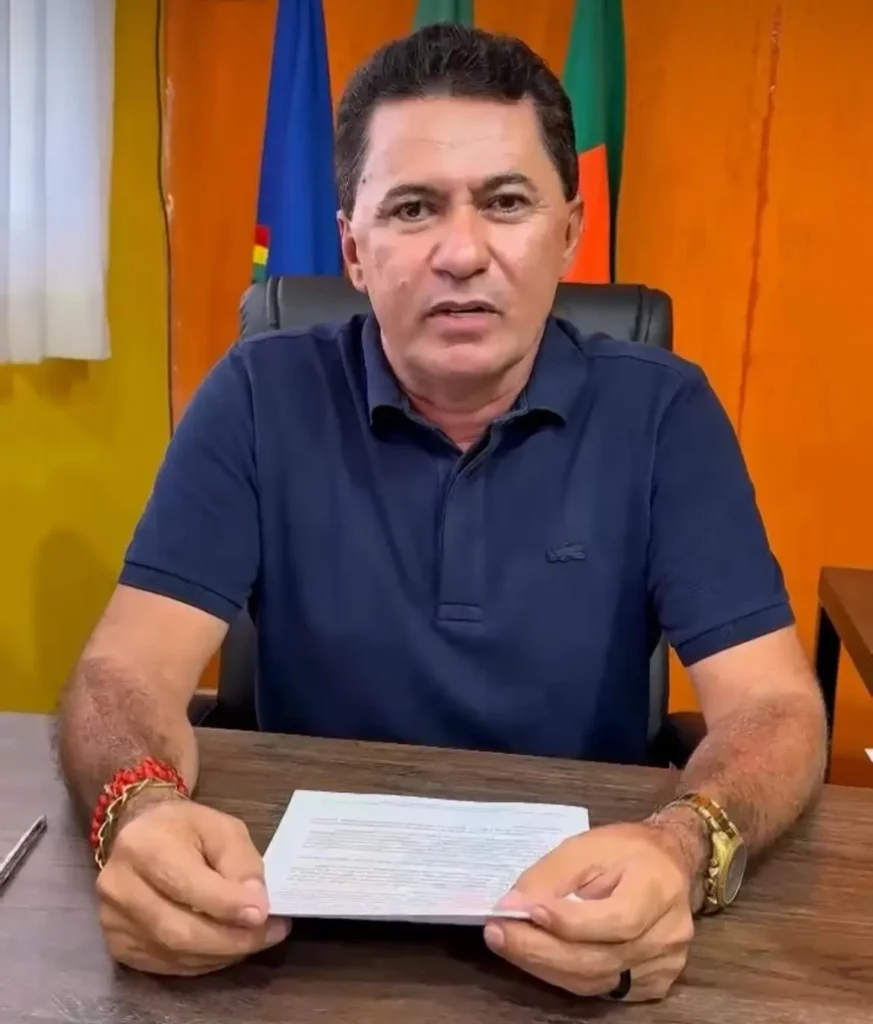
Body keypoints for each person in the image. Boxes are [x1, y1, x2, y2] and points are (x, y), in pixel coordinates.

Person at [56, 24, 826, 1002]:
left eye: (505, 202)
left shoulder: (665, 412)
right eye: (413, 208)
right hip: (283, 941)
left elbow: (774, 708)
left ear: (568, 233)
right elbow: (122, 674)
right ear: (354, 248)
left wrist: (681, 846)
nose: (462, 253)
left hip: (583, 927)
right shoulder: (257, 392)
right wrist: (139, 811)